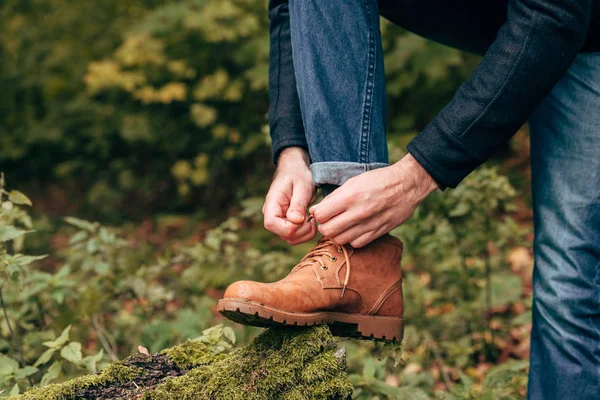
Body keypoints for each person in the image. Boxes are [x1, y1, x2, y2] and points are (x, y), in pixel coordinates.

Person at [218, 1, 600, 398]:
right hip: (497, 16)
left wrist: (414, 177)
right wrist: (293, 150)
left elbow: (555, 13)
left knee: (571, 279)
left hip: (584, 27)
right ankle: (356, 250)